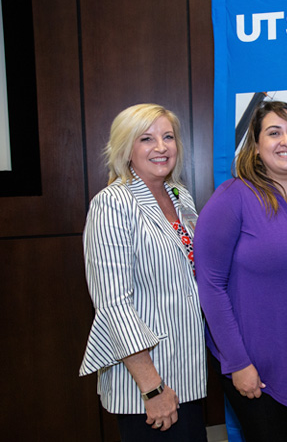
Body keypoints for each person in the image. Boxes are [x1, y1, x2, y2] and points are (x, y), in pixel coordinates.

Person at [194, 100, 287, 442]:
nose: (286, 141)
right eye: (274, 133)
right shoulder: (233, 198)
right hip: (258, 367)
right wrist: (237, 362)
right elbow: (211, 284)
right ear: (256, 148)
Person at [79, 103, 207, 441]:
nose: (161, 147)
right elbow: (114, 305)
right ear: (126, 149)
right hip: (147, 385)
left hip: (188, 372)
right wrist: (153, 388)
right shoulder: (112, 204)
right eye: (147, 139)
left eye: (168, 137)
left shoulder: (180, 196)